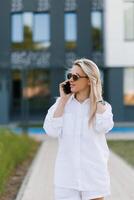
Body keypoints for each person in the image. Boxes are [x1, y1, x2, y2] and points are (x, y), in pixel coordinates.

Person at [43, 58, 114, 200]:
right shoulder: (61, 104)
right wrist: (63, 100)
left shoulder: (102, 106)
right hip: (66, 178)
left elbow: (104, 127)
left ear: (89, 80)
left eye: (75, 77)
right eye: (69, 76)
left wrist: (97, 96)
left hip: (93, 176)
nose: (70, 80)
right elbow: (51, 130)